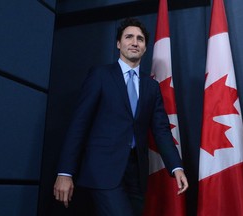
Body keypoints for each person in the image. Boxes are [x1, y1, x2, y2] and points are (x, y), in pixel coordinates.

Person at [53, 17, 188, 216]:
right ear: (118, 43)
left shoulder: (151, 87)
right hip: (103, 171)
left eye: (140, 39)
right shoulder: (100, 75)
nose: (135, 42)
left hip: (136, 174)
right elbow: (79, 124)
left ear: (144, 47)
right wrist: (65, 172)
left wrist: (176, 167)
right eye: (129, 37)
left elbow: (161, 131)